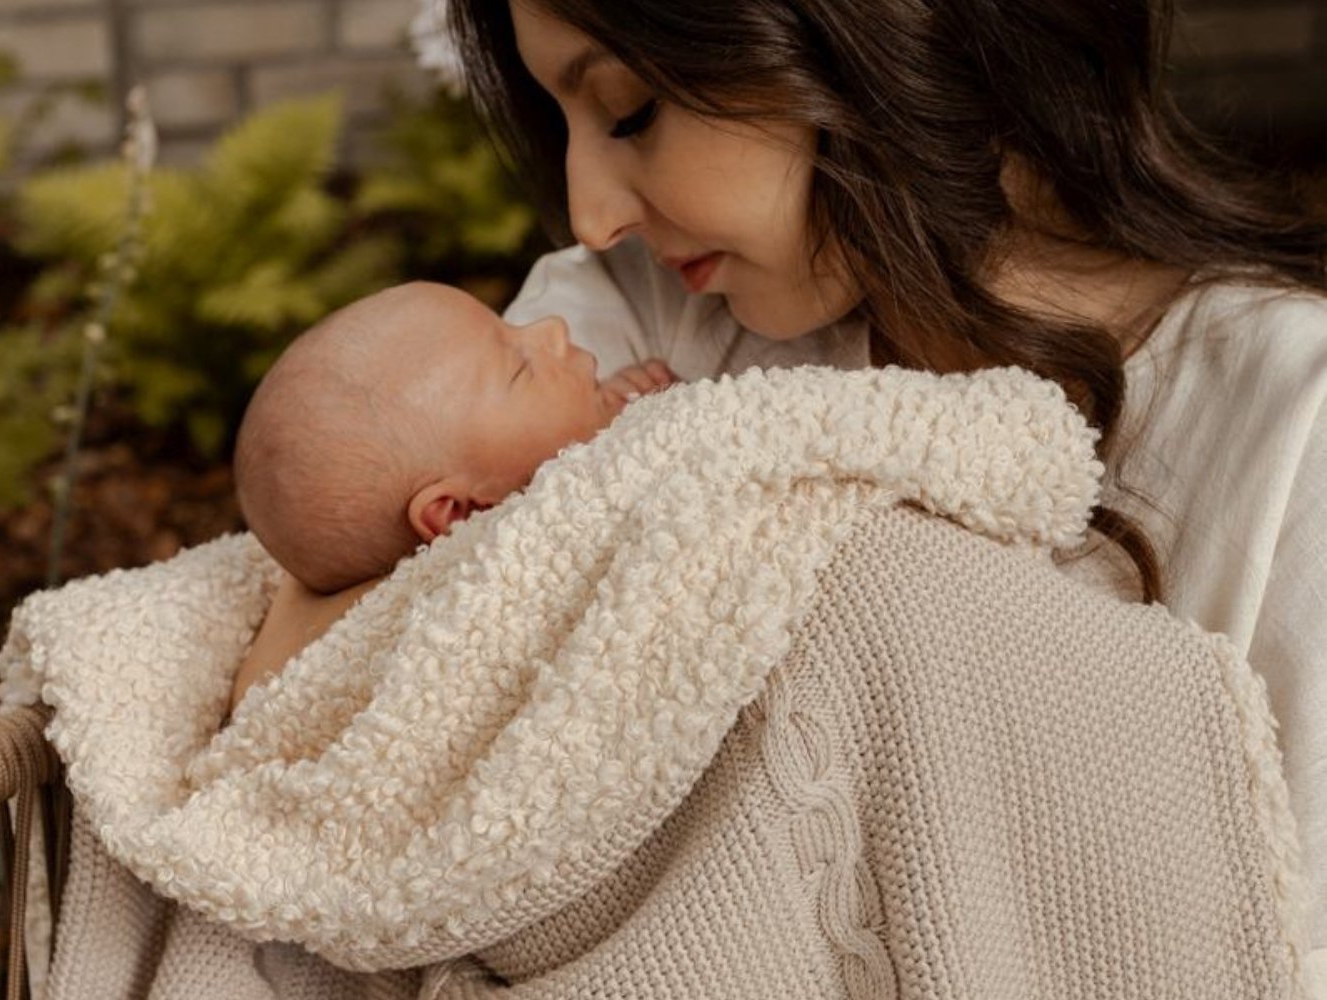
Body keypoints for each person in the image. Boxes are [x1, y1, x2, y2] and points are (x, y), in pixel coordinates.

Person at [442, 0, 1327, 973]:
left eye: (628, 108)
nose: (591, 213)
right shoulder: (625, 335)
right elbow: (377, 673)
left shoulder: (1292, 432)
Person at [229, 280, 674, 706]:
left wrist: (604, 415)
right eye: (521, 370)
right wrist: (624, 435)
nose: (552, 327)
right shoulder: (453, 619)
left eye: (510, 326)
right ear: (456, 513)